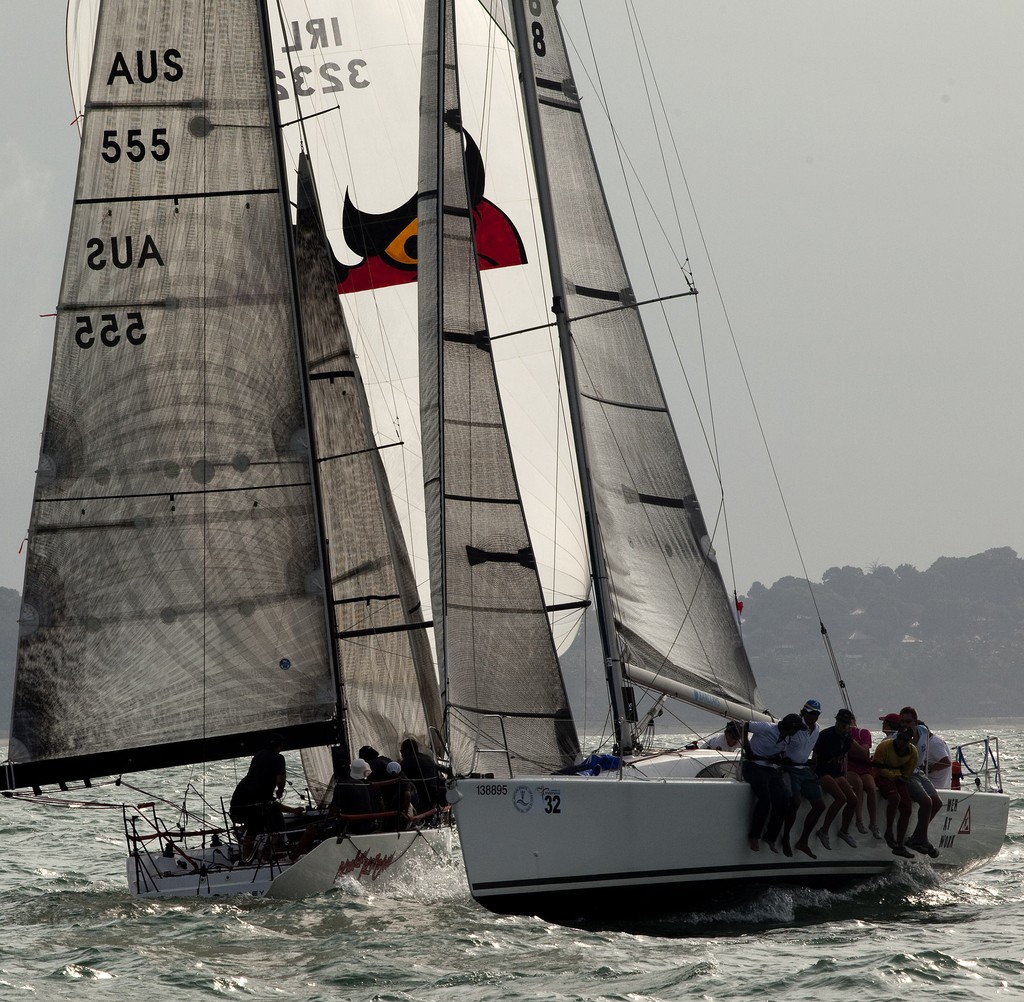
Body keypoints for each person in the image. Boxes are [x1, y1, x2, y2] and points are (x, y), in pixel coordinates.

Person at [229, 734, 302, 859]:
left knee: (252, 830)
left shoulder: (258, 755)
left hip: (239, 801)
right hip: (258, 803)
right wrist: (280, 790)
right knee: (278, 829)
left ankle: (246, 860)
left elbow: (270, 802)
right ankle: (277, 858)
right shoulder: (278, 757)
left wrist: (292, 810)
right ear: (280, 746)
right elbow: (280, 779)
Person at [290, 758, 378, 861]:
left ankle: (292, 857)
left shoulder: (341, 786)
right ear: (350, 771)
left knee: (312, 829)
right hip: (369, 825)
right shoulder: (361, 783)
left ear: (336, 773)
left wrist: (322, 819)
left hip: (352, 828)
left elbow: (332, 814)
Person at [742, 714, 804, 852]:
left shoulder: (786, 739)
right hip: (753, 765)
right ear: (791, 728)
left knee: (783, 800)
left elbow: (781, 753)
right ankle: (754, 836)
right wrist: (747, 746)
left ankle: (770, 837)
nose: (797, 733)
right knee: (765, 799)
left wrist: (778, 758)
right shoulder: (767, 728)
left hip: (769, 769)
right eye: (796, 730)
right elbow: (744, 725)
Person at [781, 698, 826, 859]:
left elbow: (814, 750)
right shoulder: (794, 724)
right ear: (804, 712)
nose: (814, 717)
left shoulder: (817, 729)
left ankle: (803, 841)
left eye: (816, 714)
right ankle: (785, 836)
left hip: (804, 769)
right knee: (795, 802)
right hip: (790, 768)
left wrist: (813, 765)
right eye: (811, 713)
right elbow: (781, 742)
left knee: (820, 806)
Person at [811, 708, 859, 849]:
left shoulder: (847, 738)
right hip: (822, 771)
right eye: (841, 722)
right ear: (836, 721)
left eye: (846, 723)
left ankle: (844, 831)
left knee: (853, 799)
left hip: (835, 771)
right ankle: (824, 830)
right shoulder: (825, 735)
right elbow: (816, 757)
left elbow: (843, 755)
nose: (844, 726)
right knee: (841, 798)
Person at [899, 706, 942, 856]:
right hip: (906, 773)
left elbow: (929, 736)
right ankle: (923, 839)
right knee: (926, 802)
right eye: (902, 721)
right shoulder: (899, 738)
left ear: (915, 722)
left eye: (908, 721)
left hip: (919, 771)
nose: (905, 724)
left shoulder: (923, 730)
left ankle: (917, 837)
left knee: (937, 803)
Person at [871, 724, 918, 858]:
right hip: (881, 775)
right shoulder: (884, 746)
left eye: (905, 740)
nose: (901, 742)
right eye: (900, 738)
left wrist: (902, 777)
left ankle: (900, 844)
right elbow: (877, 767)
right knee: (894, 798)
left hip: (898, 776)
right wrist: (892, 775)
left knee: (907, 807)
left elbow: (908, 771)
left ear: (910, 740)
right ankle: (889, 831)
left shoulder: (912, 751)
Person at [846, 713, 882, 839]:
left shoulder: (863, 733)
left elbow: (864, 752)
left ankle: (873, 823)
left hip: (863, 767)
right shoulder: (841, 735)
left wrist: (851, 741)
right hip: (849, 768)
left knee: (871, 788)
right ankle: (859, 819)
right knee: (858, 784)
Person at [400, 737, 447, 810]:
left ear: (406, 751)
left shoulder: (405, 762)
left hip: (423, 799)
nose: (401, 754)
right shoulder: (428, 758)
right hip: (439, 794)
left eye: (401, 751)